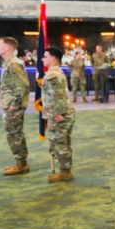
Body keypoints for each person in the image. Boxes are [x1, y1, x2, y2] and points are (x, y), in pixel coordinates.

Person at [41, 47, 76, 183]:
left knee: (60, 143)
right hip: (61, 112)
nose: (42, 59)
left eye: (45, 56)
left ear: (53, 58)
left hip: (59, 114)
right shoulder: (55, 72)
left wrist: (57, 114)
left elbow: (57, 96)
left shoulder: (52, 75)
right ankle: (65, 170)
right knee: (63, 143)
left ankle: (65, 172)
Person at [0, 36, 30, 176]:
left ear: (7, 47)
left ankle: (21, 164)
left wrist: (14, 105)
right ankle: (20, 162)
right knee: (14, 134)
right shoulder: (8, 63)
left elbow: (22, 86)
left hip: (13, 106)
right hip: (9, 104)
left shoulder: (14, 64)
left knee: (14, 134)